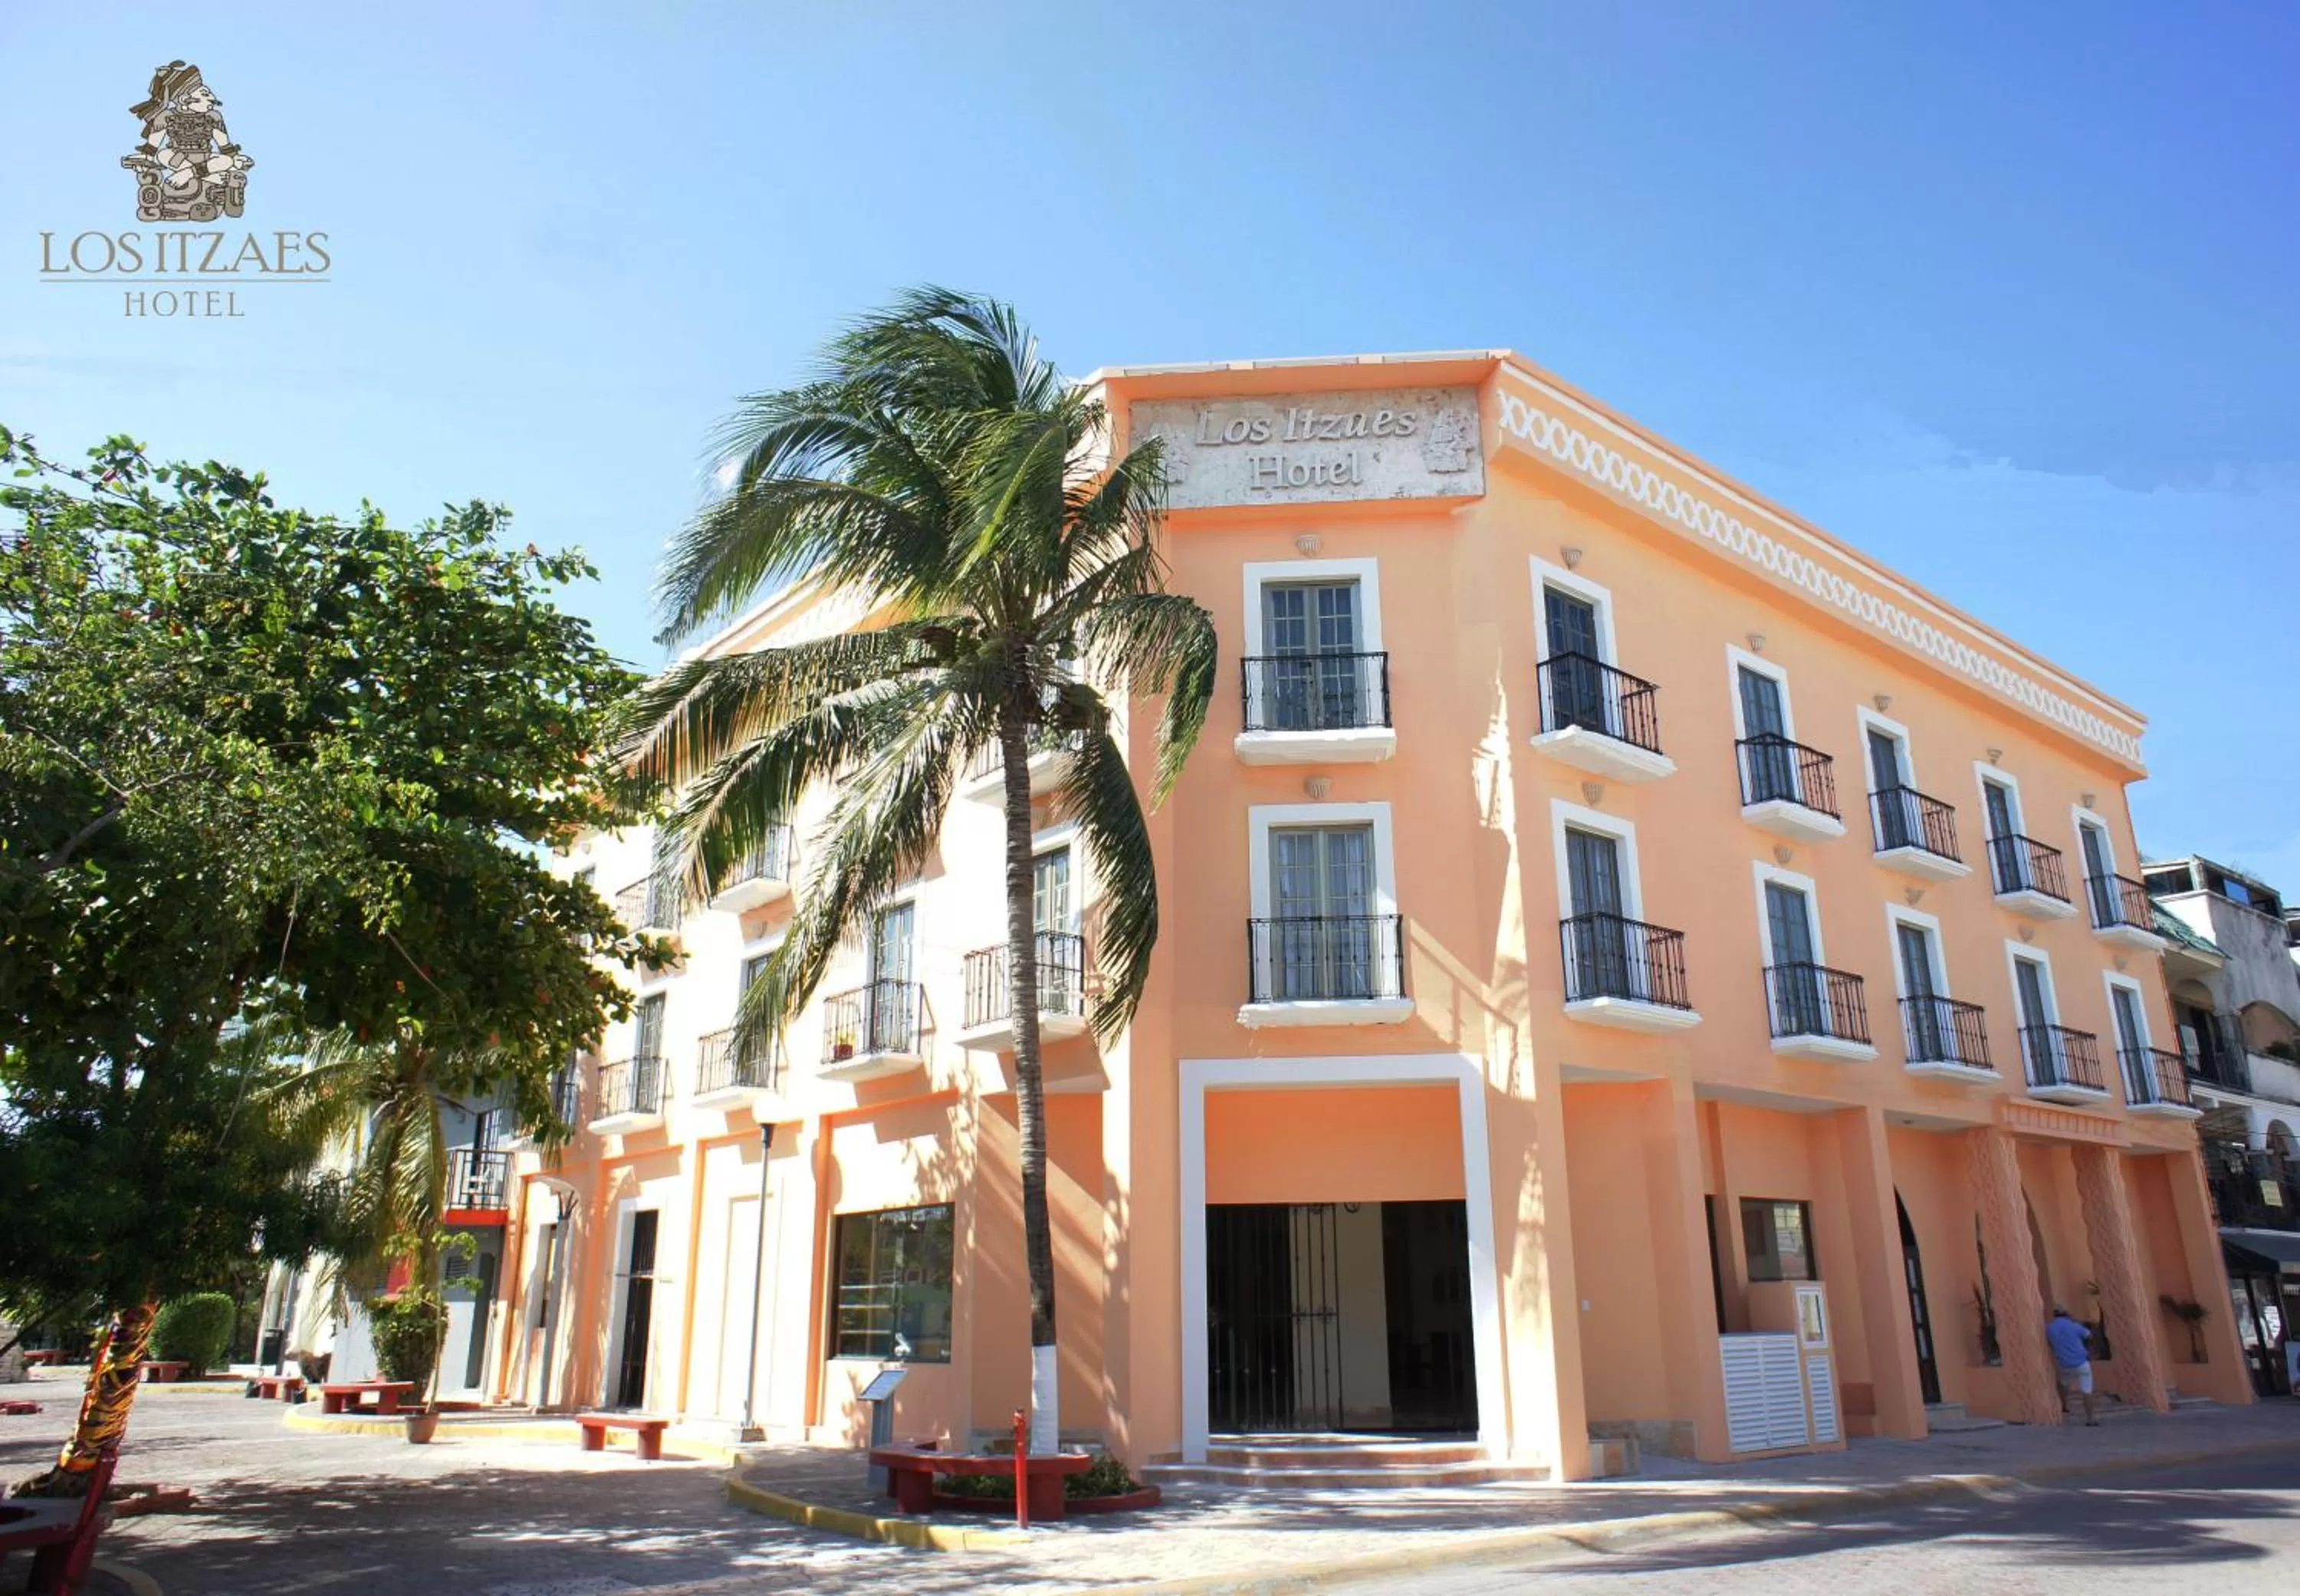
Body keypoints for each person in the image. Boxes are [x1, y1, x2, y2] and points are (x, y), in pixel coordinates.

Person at [2047, 1305, 2099, 1425]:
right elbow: (2089, 1335)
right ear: (2067, 1314)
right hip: (2082, 1362)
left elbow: (2051, 1343)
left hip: (2066, 1364)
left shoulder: (2050, 1328)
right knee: (2087, 1391)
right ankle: (2090, 1419)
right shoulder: (2074, 1326)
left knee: (2063, 1384)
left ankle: (2064, 1405)